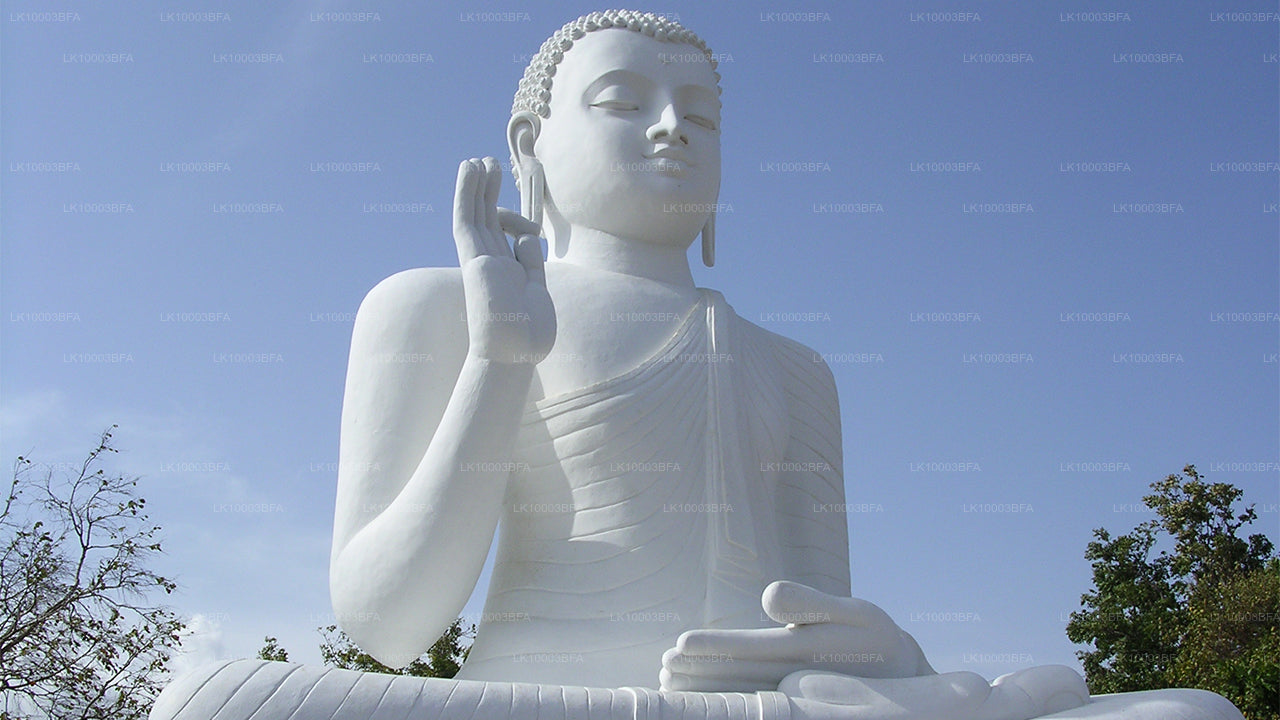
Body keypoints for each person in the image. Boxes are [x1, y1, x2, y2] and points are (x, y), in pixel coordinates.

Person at [150, 12, 1243, 720]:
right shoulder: (433, 307)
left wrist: (893, 655)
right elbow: (387, 628)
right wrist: (498, 359)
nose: (673, 129)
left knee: (1192, 714)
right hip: (534, 703)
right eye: (624, 102)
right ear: (530, 145)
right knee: (208, 703)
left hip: (763, 708)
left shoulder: (793, 366)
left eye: (702, 115)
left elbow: (824, 632)